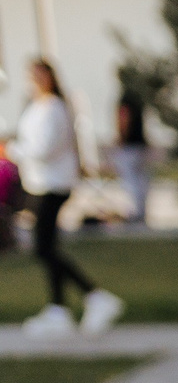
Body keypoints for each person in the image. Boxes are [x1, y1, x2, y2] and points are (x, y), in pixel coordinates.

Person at [12, 61, 118, 334]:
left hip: (53, 184)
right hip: (38, 183)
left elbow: (44, 147)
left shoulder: (56, 108)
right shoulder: (35, 107)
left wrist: (12, 150)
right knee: (47, 247)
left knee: (42, 247)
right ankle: (58, 308)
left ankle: (94, 295)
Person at [112, 88, 151, 229]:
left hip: (129, 147)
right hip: (138, 146)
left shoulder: (125, 105)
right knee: (140, 181)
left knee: (129, 182)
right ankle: (140, 212)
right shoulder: (138, 105)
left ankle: (133, 212)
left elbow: (124, 120)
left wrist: (121, 139)